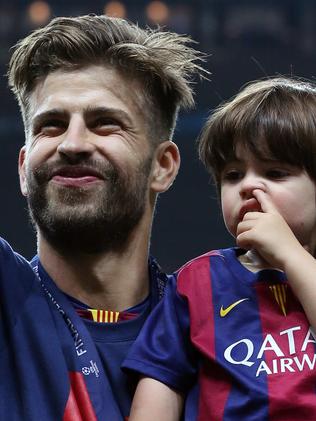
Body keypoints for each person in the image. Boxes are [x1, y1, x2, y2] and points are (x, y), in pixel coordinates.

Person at [3, 14, 205, 420]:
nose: (73, 144)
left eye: (105, 124)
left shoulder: (222, 328)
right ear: (24, 168)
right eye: (52, 125)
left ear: (162, 166)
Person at [123, 77, 316, 420]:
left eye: (274, 172)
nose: (248, 186)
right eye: (232, 175)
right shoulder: (196, 283)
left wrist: (291, 255)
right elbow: (161, 382)